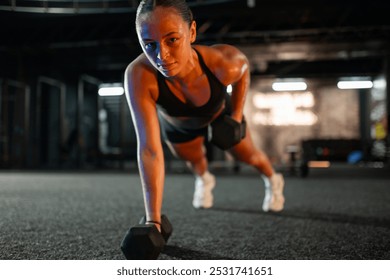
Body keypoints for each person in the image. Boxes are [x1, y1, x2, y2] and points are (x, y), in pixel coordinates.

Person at [124, 0, 285, 232]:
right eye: (149, 45)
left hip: (218, 115)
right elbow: (149, 149)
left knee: (248, 156)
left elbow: (243, 70)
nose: (162, 56)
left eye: (172, 40)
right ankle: (204, 179)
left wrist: (237, 116)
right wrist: (153, 221)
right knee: (194, 160)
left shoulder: (222, 63)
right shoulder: (139, 76)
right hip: (178, 126)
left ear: (191, 32)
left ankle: (273, 180)